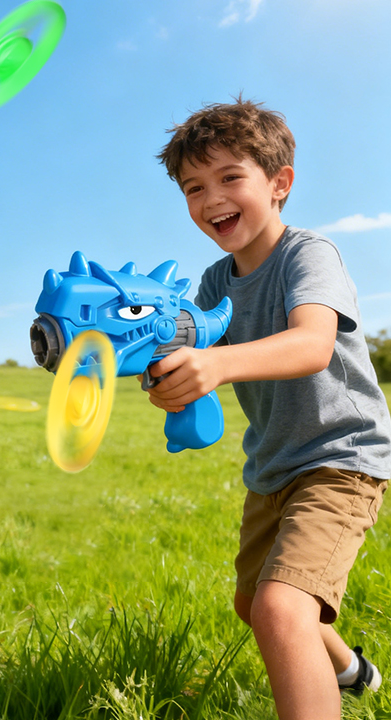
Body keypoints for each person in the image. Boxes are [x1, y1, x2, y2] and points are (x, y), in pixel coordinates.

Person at [148, 98, 390, 720]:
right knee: (254, 603)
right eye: (193, 187)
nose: (211, 199)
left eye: (231, 177)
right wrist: (163, 372)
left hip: (342, 458)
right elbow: (190, 351)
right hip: (273, 468)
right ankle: (352, 672)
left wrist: (219, 363)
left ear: (279, 183)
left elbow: (312, 344)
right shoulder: (211, 284)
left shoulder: (308, 254)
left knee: (282, 609)